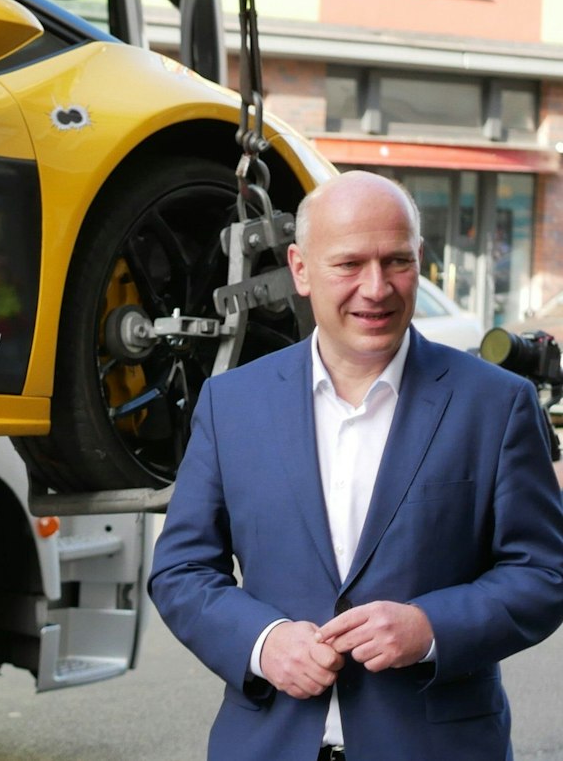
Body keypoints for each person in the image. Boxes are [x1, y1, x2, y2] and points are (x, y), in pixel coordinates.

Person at [150, 171, 563, 761]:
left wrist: (430, 627)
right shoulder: (231, 403)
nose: (377, 288)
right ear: (300, 269)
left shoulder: (496, 403)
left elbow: (544, 572)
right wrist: (263, 643)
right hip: (267, 744)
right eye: (349, 264)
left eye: (397, 261)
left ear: (419, 259)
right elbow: (182, 570)